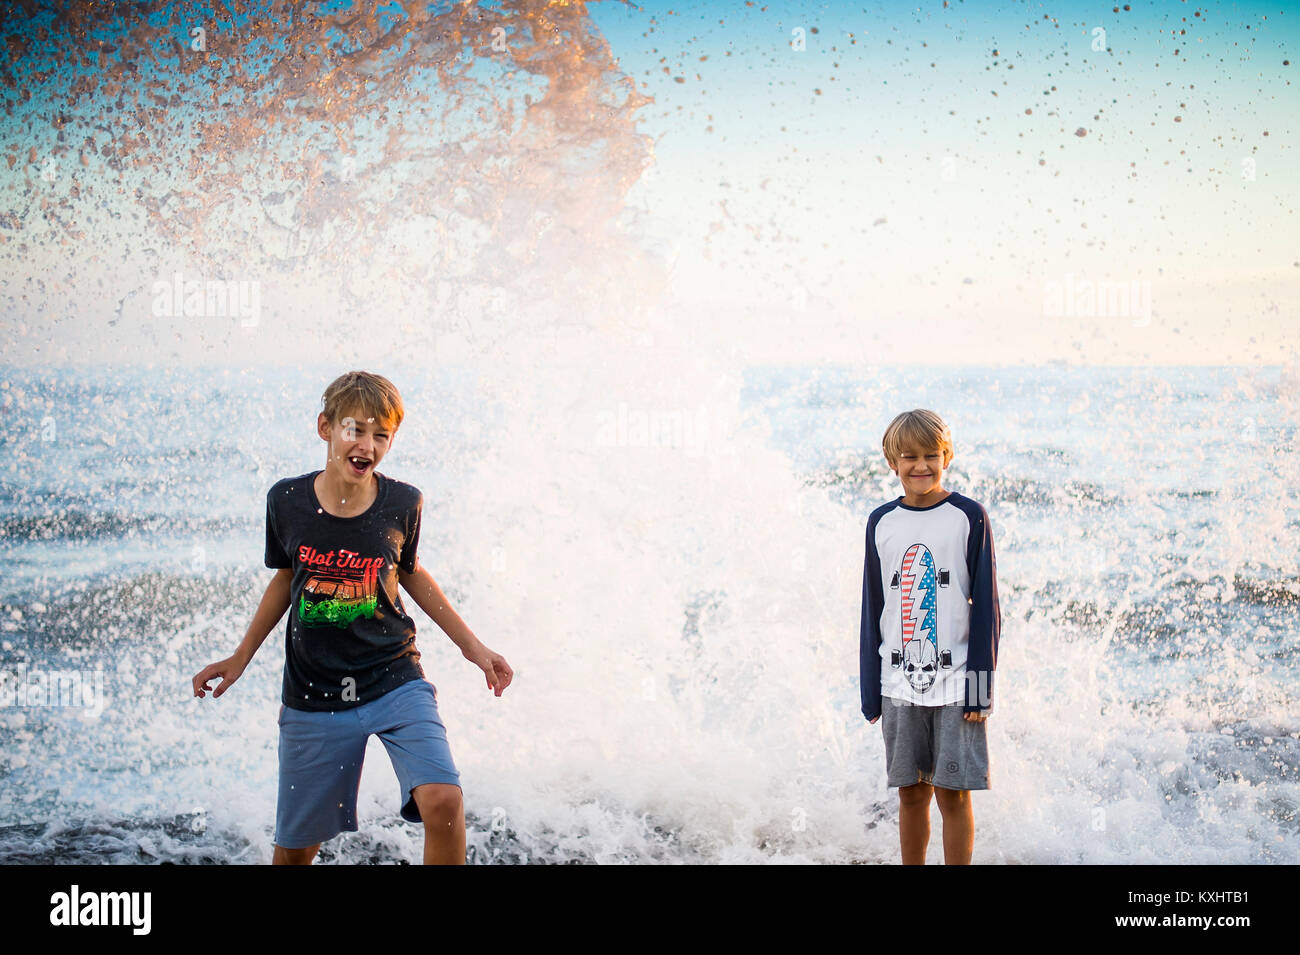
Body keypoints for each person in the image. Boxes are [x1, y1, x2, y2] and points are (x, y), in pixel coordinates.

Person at [191, 370, 512, 865]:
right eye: (355, 429)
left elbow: (410, 572)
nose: (367, 443)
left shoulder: (403, 501)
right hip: (314, 693)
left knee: (444, 800)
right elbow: (284, 579)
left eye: (381, 434)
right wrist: (240, 657)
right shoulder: (287, 500)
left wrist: (474, 647)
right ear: (326, 428)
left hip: (394, 676)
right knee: (294, 854)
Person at [859, 409, 1000, 864]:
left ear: (947, 456)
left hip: (958, 685)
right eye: (909, 457)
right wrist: (871, 692)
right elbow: (872, 608)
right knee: (911, 796)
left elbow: (988, 611)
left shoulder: (968, 516)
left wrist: (979, 691)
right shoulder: (881, 522)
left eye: (931, 456)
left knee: (953, 796)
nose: (921, 466)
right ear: (892, 462)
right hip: (898, 687)